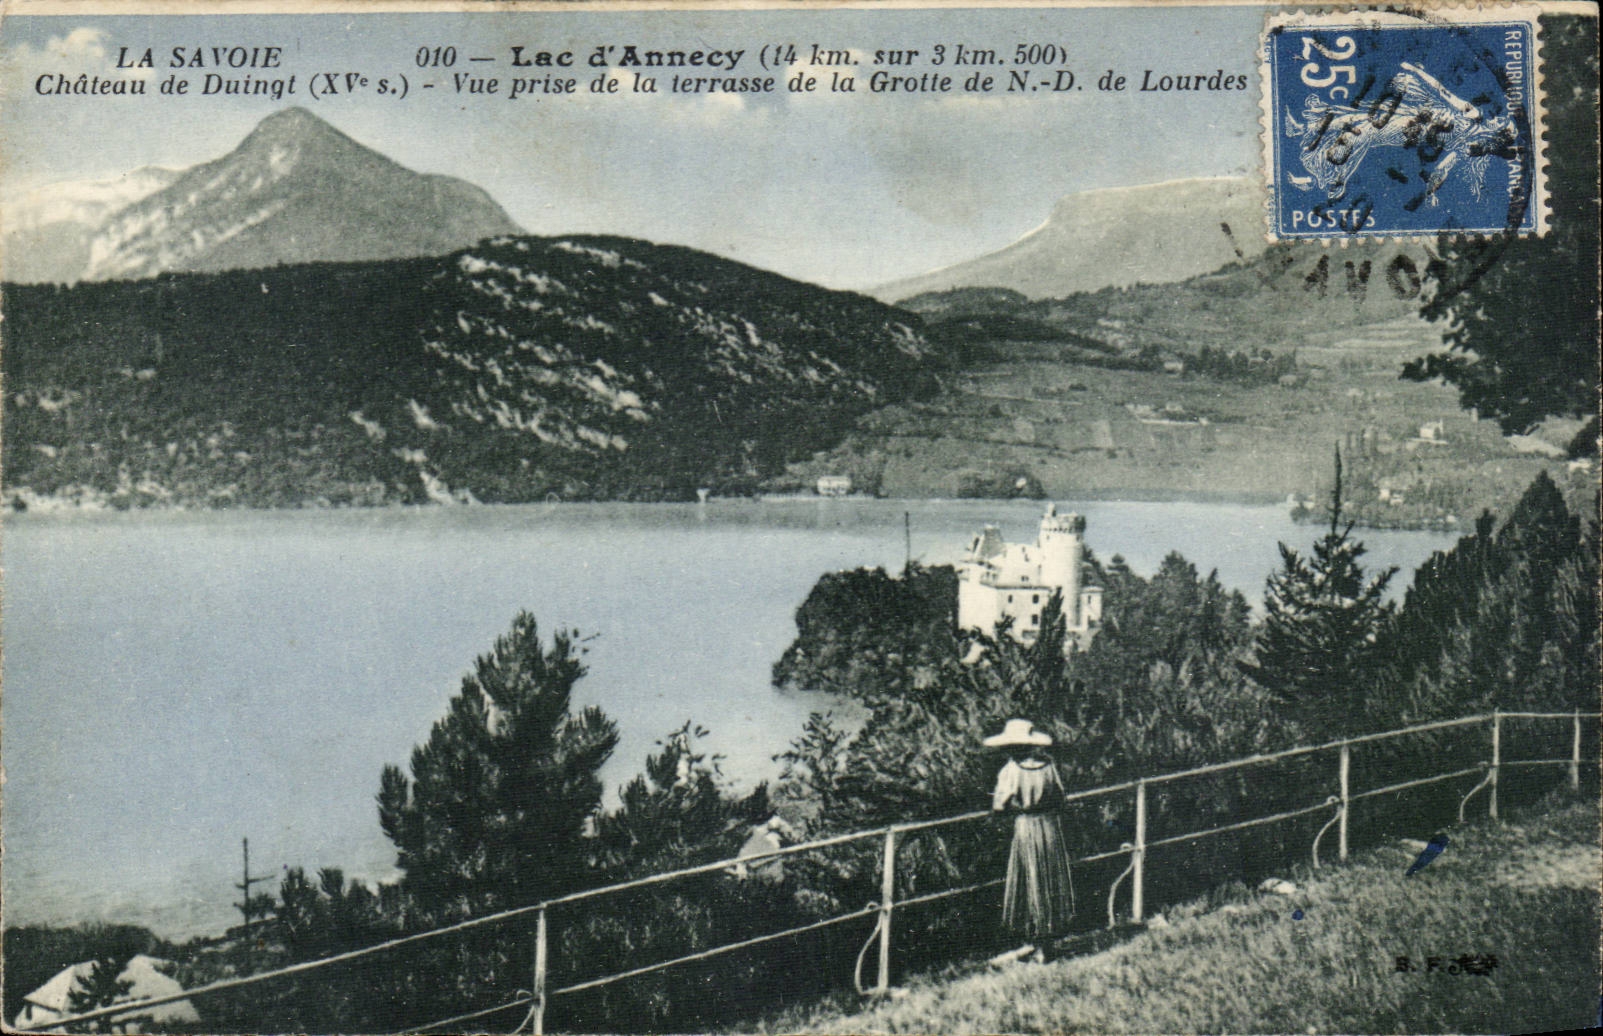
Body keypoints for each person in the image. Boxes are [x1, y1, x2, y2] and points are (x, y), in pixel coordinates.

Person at [985, 718, 1075, 955]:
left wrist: (1014, 805)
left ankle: (1037, 941)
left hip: (1026, 825)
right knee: (1049, 876)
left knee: (1031, 878)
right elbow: (1060, 797)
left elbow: (999, 805)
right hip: (1049, 825)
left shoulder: (1011, 770)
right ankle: (1046, 940)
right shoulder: (1048, 765)